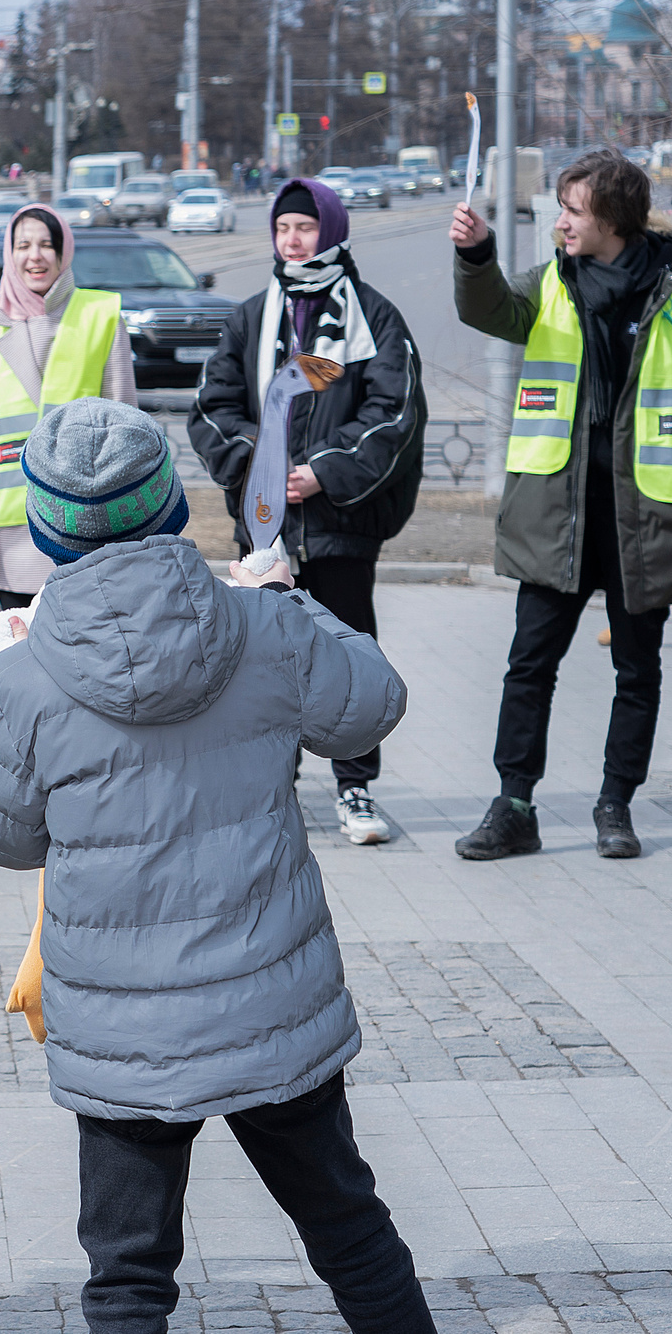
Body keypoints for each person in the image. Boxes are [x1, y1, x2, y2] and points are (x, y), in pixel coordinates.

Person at [0, 396, 429, 1334]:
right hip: (271, 1006)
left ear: (45, 530)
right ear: (172, 506)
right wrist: (285, 597)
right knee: (350, 1230)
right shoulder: (264, 625)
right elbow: (372, 704)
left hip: (122, 1035)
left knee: (127, 1278)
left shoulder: (17, 676)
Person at [447, 148, 672, 863]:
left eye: (572, 211)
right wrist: (476, 253)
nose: (561, 222)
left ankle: (615, 806)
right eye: (560, 208)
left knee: (638, 671)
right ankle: (514, 804)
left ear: (612, 220)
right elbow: (488, 307)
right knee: (530, 664)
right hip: (557, 514)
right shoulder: (551, 282)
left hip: (644, 519)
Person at [191, 178, 425, 846]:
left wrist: (323, 473)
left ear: (333, 229)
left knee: (345, 655)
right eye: (283, 228)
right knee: (262, 662)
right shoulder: (249, 317)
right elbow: (213, 407)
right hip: (264, 528)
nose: (292, 240)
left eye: (305, 227)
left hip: (339, 525)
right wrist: (259, 466)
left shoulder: (373, 317)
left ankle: (355, 787)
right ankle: (271, 791)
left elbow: (394, 411)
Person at [0, 203, 136, 610]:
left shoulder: (101, 314)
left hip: (86, 518)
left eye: (46, 245)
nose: (34, 256)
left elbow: (125, 419)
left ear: (63, 252)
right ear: (9, 253)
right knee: (18, 647)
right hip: (12, 522)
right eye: (22, 245)